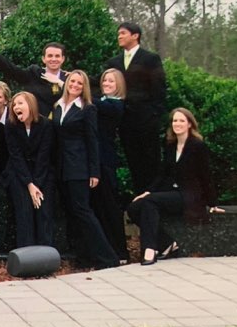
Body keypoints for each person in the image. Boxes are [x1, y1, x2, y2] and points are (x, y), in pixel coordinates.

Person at [128, 108, 223, 266]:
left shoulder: (197, 146)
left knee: (150, 202)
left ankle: (150, 249)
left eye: (181, 121)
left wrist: (212, 203)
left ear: (190, 124)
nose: (177, 124)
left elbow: (206, 176)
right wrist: (147, 191)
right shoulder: (170, 145)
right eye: (174, 121)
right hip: (172, 192)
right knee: (134, 207)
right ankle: (166, 244)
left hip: (190, 196)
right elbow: (162, 174)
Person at [52, 69, 119, 269]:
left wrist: (94, 171)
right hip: (61, 167)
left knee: (83, 212)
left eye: (79, 83)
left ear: (84, 87)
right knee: (72, 213)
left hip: (79, 167)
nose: (74, 85)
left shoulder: (87, 108)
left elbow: (92, 140)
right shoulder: (58, 106)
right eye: (72, 81)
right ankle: (83, 257)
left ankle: (108, 257)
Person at [106, 22, 167, 197]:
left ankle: (153, 202)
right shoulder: (114, 62)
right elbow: (102, 83)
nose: (119, 36)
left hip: (146, 121)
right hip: (125, 123)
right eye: (118, 33)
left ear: (135, 36)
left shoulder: (150, 59)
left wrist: (154, 115)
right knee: (134, 164)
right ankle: (139, 204)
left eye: (123, 33)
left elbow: (159, 88)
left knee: (151, 164)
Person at [0, 28, 68, 118]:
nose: (53, 59)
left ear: (63, 59)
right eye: (50, 56)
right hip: (35, 127)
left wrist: (62, 84)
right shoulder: (34, 73)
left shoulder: (69, 80)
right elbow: (10, 69)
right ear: (44, 58)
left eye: (57, 56)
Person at [1, 91, 55, 248]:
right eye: (14, 104)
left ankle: (46, 254)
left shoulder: (45, 125)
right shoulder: (11, 125)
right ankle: (26, 254)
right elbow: (15, 156)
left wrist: (37, 184)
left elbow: (44, 156)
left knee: (43, 208)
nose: (16, 107)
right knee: (24, 209)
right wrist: (30, 184)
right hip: (18, 172)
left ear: (30, 105)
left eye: (20, 103)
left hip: (41, 172)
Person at [92, 68, 130, 263]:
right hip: (95, 160)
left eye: (111, 82)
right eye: (105, 80)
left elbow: (94, 104)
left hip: (105, 161)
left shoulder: (116, 106)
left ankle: (121, 251)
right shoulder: (103, 101)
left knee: (111, 206)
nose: (106, 84)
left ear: (119, 85)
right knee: (99, 206)